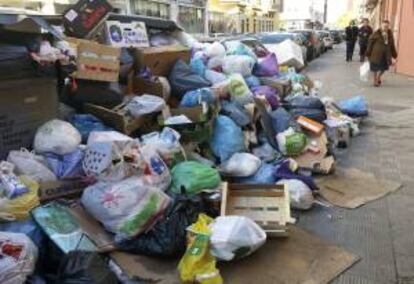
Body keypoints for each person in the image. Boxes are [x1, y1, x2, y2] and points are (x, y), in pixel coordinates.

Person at [366, 20, 398, 87]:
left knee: (384, 67)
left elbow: (392, 44)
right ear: (381, 26)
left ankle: (378, 77)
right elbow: (370, 44)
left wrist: (394, 54)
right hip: (376, 54)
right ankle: (375, 81)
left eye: (386, 26)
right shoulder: (376, 33)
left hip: (386, 54)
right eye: (384, 26)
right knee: (375, 68)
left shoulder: (390, 33)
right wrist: (368, 53)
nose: (385, 28)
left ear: (388, 26)